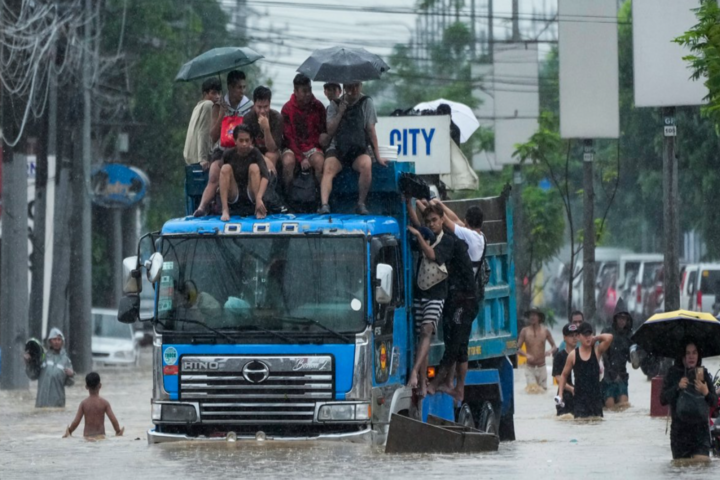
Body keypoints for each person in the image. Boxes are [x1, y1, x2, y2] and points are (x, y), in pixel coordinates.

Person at [419, 199, 485, 402]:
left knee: (455, 344)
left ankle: (440, 382)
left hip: (465, 298)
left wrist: (426, 205)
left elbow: (447, 221)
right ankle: (455, 387)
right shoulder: (478, 236)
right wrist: (435, 204)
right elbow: (452, 218)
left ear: (467, 221)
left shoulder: (464, 238)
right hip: (466, 296)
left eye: (434, 220)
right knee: (460, 346)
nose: (431, 223)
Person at [406, 203, 454, 397]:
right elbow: (416, 223)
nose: (432, 224)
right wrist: (408, 203)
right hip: (420, 291)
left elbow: (433, 255)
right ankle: (423, 382)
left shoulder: (448, 241)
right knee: (421, 337)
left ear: (442, 220)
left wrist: (418, 236)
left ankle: (415, 373)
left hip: (437, 294)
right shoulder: (426, 234)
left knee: (427, 330)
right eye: (429, 221)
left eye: (435, 220)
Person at [318, 82, 387, 215]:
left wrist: (378, 157)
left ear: (360, 86)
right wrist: (340, 112)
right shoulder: (335, 104)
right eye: (350, 86)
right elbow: (330, 130)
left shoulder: (366, 102)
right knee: (328, 167)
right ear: (344, 88)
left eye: (356, 86)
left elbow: (371, 130)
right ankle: (324, 204)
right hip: (339, 148)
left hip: (358, 149)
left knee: (366, 164)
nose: (353, 89)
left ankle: (361, 203)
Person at [194, 70, 253, 217]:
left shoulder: (249, 106)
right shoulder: (218, 106)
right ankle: (202, 207)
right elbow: (213, 137)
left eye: (243, 87)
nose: (242, 91)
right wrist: (222, 115)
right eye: (239, 87)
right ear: (230, 88)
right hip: (222, 148)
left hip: (242, 150)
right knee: (214, 172)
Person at [661, 341, 717, 461]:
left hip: (701, 433)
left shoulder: (703, 373)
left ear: (698, 355)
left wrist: (706, 392)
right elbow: (663, 399)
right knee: (682, 471)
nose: (691, 356)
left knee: (701, 467)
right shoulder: (673, 373)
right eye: (688, 353)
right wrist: (677, 387)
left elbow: (714, 402)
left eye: (694, 353)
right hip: (680, 434)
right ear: (682, 356)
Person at [557, 322, 613, 418]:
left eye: (589, 334)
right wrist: (560, 394)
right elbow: (564, 375)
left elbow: (609, 337)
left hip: (595, 399)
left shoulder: (597, 351)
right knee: (580, 426)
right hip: (580, 400)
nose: (588, 337)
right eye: (585, 335)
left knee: (597, 425)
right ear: (579, 337)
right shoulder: (573, 355)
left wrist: (596, 338)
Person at [280, 74, 327, 190]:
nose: (308, 94)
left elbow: (323, 131)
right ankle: (288, 197)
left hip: (312, 147)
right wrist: (301, 157)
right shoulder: (287, 109)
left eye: (309, 90)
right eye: (304, 91)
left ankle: (320, 199)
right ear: (295, 91)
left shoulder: (318, 107)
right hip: (292, 147)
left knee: (320, 162)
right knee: (287, 162)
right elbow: (288, 138)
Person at [218, 124, 273, 221]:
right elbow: (222, 175)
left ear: (251, 141)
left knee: (254, 167)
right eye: (241, 141)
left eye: (247, 141)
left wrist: (259, 198)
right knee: (225, 168)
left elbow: (265, 177)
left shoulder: (255, 153)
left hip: (251, 192)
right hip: (235, 193)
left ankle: (258, 208)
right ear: (235, 141)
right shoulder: (228, 154)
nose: (244, 144)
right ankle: (225, 209)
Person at [24, 327, 75, 408]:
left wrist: (71, 375)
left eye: (59, 339)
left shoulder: (66, 361)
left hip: (57, 405)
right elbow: (33, 376)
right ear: (50, 341)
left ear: (62, 342)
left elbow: (70, 383)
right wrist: (29, 363)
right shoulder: (42, 357)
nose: (56, 342)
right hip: (41, 404)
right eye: (54, 339)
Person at [63, 372, 124, 439]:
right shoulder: (104, 403)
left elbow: (76, 421)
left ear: (86, 387)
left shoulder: (84, 403)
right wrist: (118, 431)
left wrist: (69, 431)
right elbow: (113, 420)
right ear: (100, 386)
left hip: (87, 438)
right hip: (101, 437)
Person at [243, 86, 284, 175]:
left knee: (270, 155)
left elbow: (273, 148)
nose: (262, 111)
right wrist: (263, 158)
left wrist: (266, 129)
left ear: (270, 104)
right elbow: (248, 145)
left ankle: (270, 185)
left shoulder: (277, 118)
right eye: (259, 107)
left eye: (266, 107)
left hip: (273, 151)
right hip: (254, 150)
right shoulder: (248, 118)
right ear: (254, 105)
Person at [601, 298, 633, 409]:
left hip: (622, 376)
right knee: (609, 406)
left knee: (624, 406)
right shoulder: (607, 332)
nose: (622, 321)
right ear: (615, 318)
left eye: (624, 318)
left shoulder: (629, 336)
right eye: (620, 318)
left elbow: (631, 359)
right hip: (609, 377)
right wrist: (611, 372)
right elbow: (603, 355)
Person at [183, 77, 222, 169]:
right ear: (205, 94)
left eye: (218, 93)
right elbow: (203, 132)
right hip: (198, 159)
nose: (217, 96)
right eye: (213, 93)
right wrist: (203, 159)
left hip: (189, 157)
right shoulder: (208, 105)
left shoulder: (198, 106)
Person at [517, 308, 558, 391]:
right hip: (529, 368)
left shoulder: (545, 331)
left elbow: (554, 346)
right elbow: (517, 348)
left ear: (539, 317)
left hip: (542, 367)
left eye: (534, 315)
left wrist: (549, 351)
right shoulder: (524, 331)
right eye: (531, 315)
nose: (532, 317)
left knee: (543, 391)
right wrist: (526, 355)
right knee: (532, 390)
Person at [553, 323, 578, 416]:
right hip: (564, 395)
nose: (574, 338)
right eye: (571, 336)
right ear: (565, 338)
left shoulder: (581, 354)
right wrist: (571, 388)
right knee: (564, 419)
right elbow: (558, 377)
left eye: (576, 335)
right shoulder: (559, 356)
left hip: (578, 394)